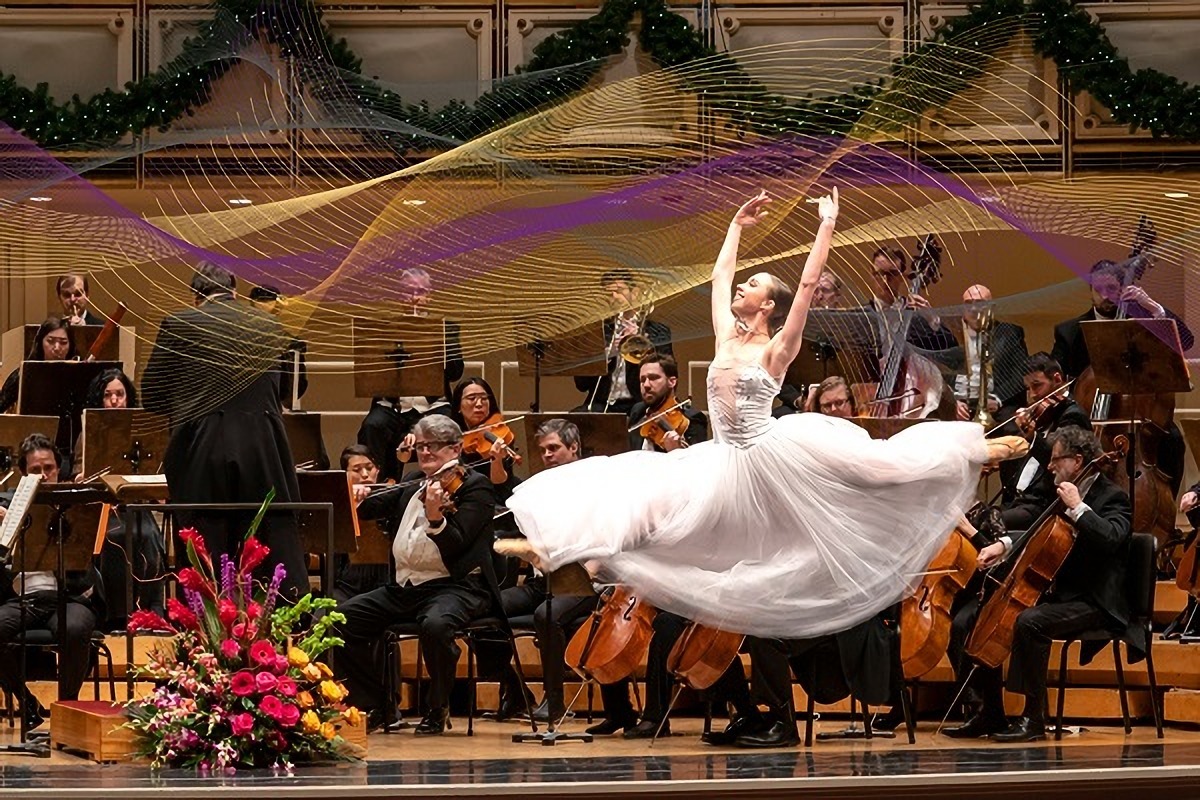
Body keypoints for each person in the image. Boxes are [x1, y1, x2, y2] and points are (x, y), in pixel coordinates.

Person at [498, 188, 1027, 641]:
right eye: (746, 283)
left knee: (879, 466)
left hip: (766, 453)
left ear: (767, 306)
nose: (743, 288)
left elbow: (805, 288)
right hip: (720, 456)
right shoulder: (727, 334)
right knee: (645, 499)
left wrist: (827, 225)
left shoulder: (777, 349)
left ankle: (976, 445)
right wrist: (735, 226)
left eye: (754, 286)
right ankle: (557, 547)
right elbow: (718, 277)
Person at [945, 427, 1133, 743]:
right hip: (1060, 594)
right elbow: (1038, 534)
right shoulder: (1061, 491)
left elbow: (1112, 538)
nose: (1049, 466)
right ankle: (989, 711)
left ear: (1077, 459)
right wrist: (1003, 544)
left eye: (1056, 459)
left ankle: (1034, 718)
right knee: (970, 618)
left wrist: (1079, 508)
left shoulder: (1112, 497)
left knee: (1030, 622)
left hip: (1096, 601)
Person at [141, 261, 308, 600]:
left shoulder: (178, 324)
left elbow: (151, 395)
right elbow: (294, 387)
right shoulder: (268, 323)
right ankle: (265, 634)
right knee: (263, 543)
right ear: (233, 291)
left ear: (195, 296)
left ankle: (210, 635)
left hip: (202, 451)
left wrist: (188, 401)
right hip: (262, 449)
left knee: (207, 551)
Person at [337, 415, 510, 735]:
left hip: (457, 587)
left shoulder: (476, 487)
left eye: (434, 445)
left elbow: (457, 545)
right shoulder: (415, 481)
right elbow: (372, 507)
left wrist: (436, 520)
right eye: (422, 444)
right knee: (340, 620)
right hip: (405, 588)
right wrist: (356, 496)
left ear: (456, 447)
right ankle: (378, 703)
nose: (426, 451)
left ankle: (437, 705)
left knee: (437, 625)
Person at [1051, 258, 1193, 494]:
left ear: (1123, 289)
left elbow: (1185, 341)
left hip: (1139, 416)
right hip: (1090, 419)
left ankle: (1166, 509)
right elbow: (1056, 372)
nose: (1106, 296)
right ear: (1090, 292)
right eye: (1099, 289)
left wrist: (1150, 306)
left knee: (1173, 441)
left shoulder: (1140, 321)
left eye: (1112, 289)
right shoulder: (1070, 331)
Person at [0, 434, 105, 731]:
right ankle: (27, 703)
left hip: (68, 596)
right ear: (23, 473)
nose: (44, 476)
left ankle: (66, 709)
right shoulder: (5, 505)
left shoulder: (76, 502)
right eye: (35, 470)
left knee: (75, 627)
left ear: (59, 469)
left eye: (49, 468)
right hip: (22, 599)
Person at [356, 267, 463, 482]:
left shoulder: (445, 328)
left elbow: (455, 373)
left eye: (421, 292)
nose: (415, 298)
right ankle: (382, 487)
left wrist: (440, 345)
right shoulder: (385, 328)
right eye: (409, 292)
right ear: (399, 296)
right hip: (392, 406)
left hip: (432, 405)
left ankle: (448, 483)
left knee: (446, 424)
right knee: (372, 426)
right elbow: (372, 372)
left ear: (430, 295)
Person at [79, 368, 166, 625]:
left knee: (149, 536)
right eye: (108, 395)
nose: (115, 400)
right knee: (115, 538)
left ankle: (151, 611)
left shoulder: (142, 432)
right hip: (105, 508)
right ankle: (116, 615)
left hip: (136, 505)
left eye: (120, 394)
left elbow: (155, 468)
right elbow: (78, 473)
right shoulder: (89, 433)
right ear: (100, 399)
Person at [575, 270, 673, 414]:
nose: (614, 297)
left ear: (634, 293)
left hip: (640, 403)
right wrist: (607, 355)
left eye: (619, 291)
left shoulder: (657, 331)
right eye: (609, 294)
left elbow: (668, 374)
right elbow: (581, 385)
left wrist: (642, 346)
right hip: (601, 404)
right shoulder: (597, 332)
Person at [951, 284, 1028, 424]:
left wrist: (997, 399)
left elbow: (1020, 374)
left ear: (992, 307)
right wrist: (953, 401)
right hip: (962, 407)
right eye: (968, 304)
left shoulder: (1009, 333)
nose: (973, 309)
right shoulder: (953, 335)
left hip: (999, 407)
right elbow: (943, 374)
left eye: (980, 303)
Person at [626, 354, 708, 451]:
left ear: (672, 382)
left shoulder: (694, 419)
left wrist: (675, 451)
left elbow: (697, 462)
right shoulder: (638, 411)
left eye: (653, 378)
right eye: (642, 380)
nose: (646, 385)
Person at [0, 316, 78, 414]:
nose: (57, 348)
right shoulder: (24, 373)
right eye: (50, 341)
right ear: (40, 342)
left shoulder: (78, 374)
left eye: (63, 342)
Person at [249, 285, 308, 411]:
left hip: (246, 410)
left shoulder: (239, 340)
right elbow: (297, 386)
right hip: (277, 410)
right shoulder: (293, 344)